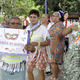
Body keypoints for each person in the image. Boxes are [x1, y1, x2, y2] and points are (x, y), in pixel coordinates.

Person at [48, 10, 78, 80]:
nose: (52, 17)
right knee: (52, 62)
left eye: (54, 16)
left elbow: (58, 36)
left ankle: (55, 77)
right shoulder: (55, 24)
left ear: (58, 17)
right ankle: (56, 74)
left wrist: (53, 47)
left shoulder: (59, 24)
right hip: (53, 45)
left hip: (56, 46)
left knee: (53, 62)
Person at [25, 9, 51, 80]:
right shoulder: (28, 28)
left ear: (38, 18)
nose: (32, 19)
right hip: (31, 53)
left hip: (41, 52)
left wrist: (38, 43)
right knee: (29, 70)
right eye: (31, 17)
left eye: (34, 17)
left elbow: (48, 42)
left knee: (40, 71)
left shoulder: (42, 28)